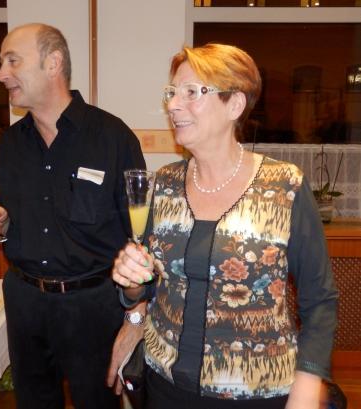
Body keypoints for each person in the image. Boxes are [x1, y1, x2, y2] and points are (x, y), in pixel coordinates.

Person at [112, 43, 338, 409]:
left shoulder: (284, 186)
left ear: (234, 105)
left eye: (191, 92)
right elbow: (150, 285)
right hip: (166, 384)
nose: (173, 105)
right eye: (172, 93)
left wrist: (309, 378)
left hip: (258, 390)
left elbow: (320, 299)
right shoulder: (165, 183)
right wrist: (132, 284)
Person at [0, 23, 146, 409]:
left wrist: (137, 312)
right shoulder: (11, 143)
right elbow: (14, 217)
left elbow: (141, 234)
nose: (1, 74)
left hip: (93, 307)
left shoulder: (113, 137)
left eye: (12, 61)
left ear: (53, 63)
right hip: (25, 301)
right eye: (1, 62)